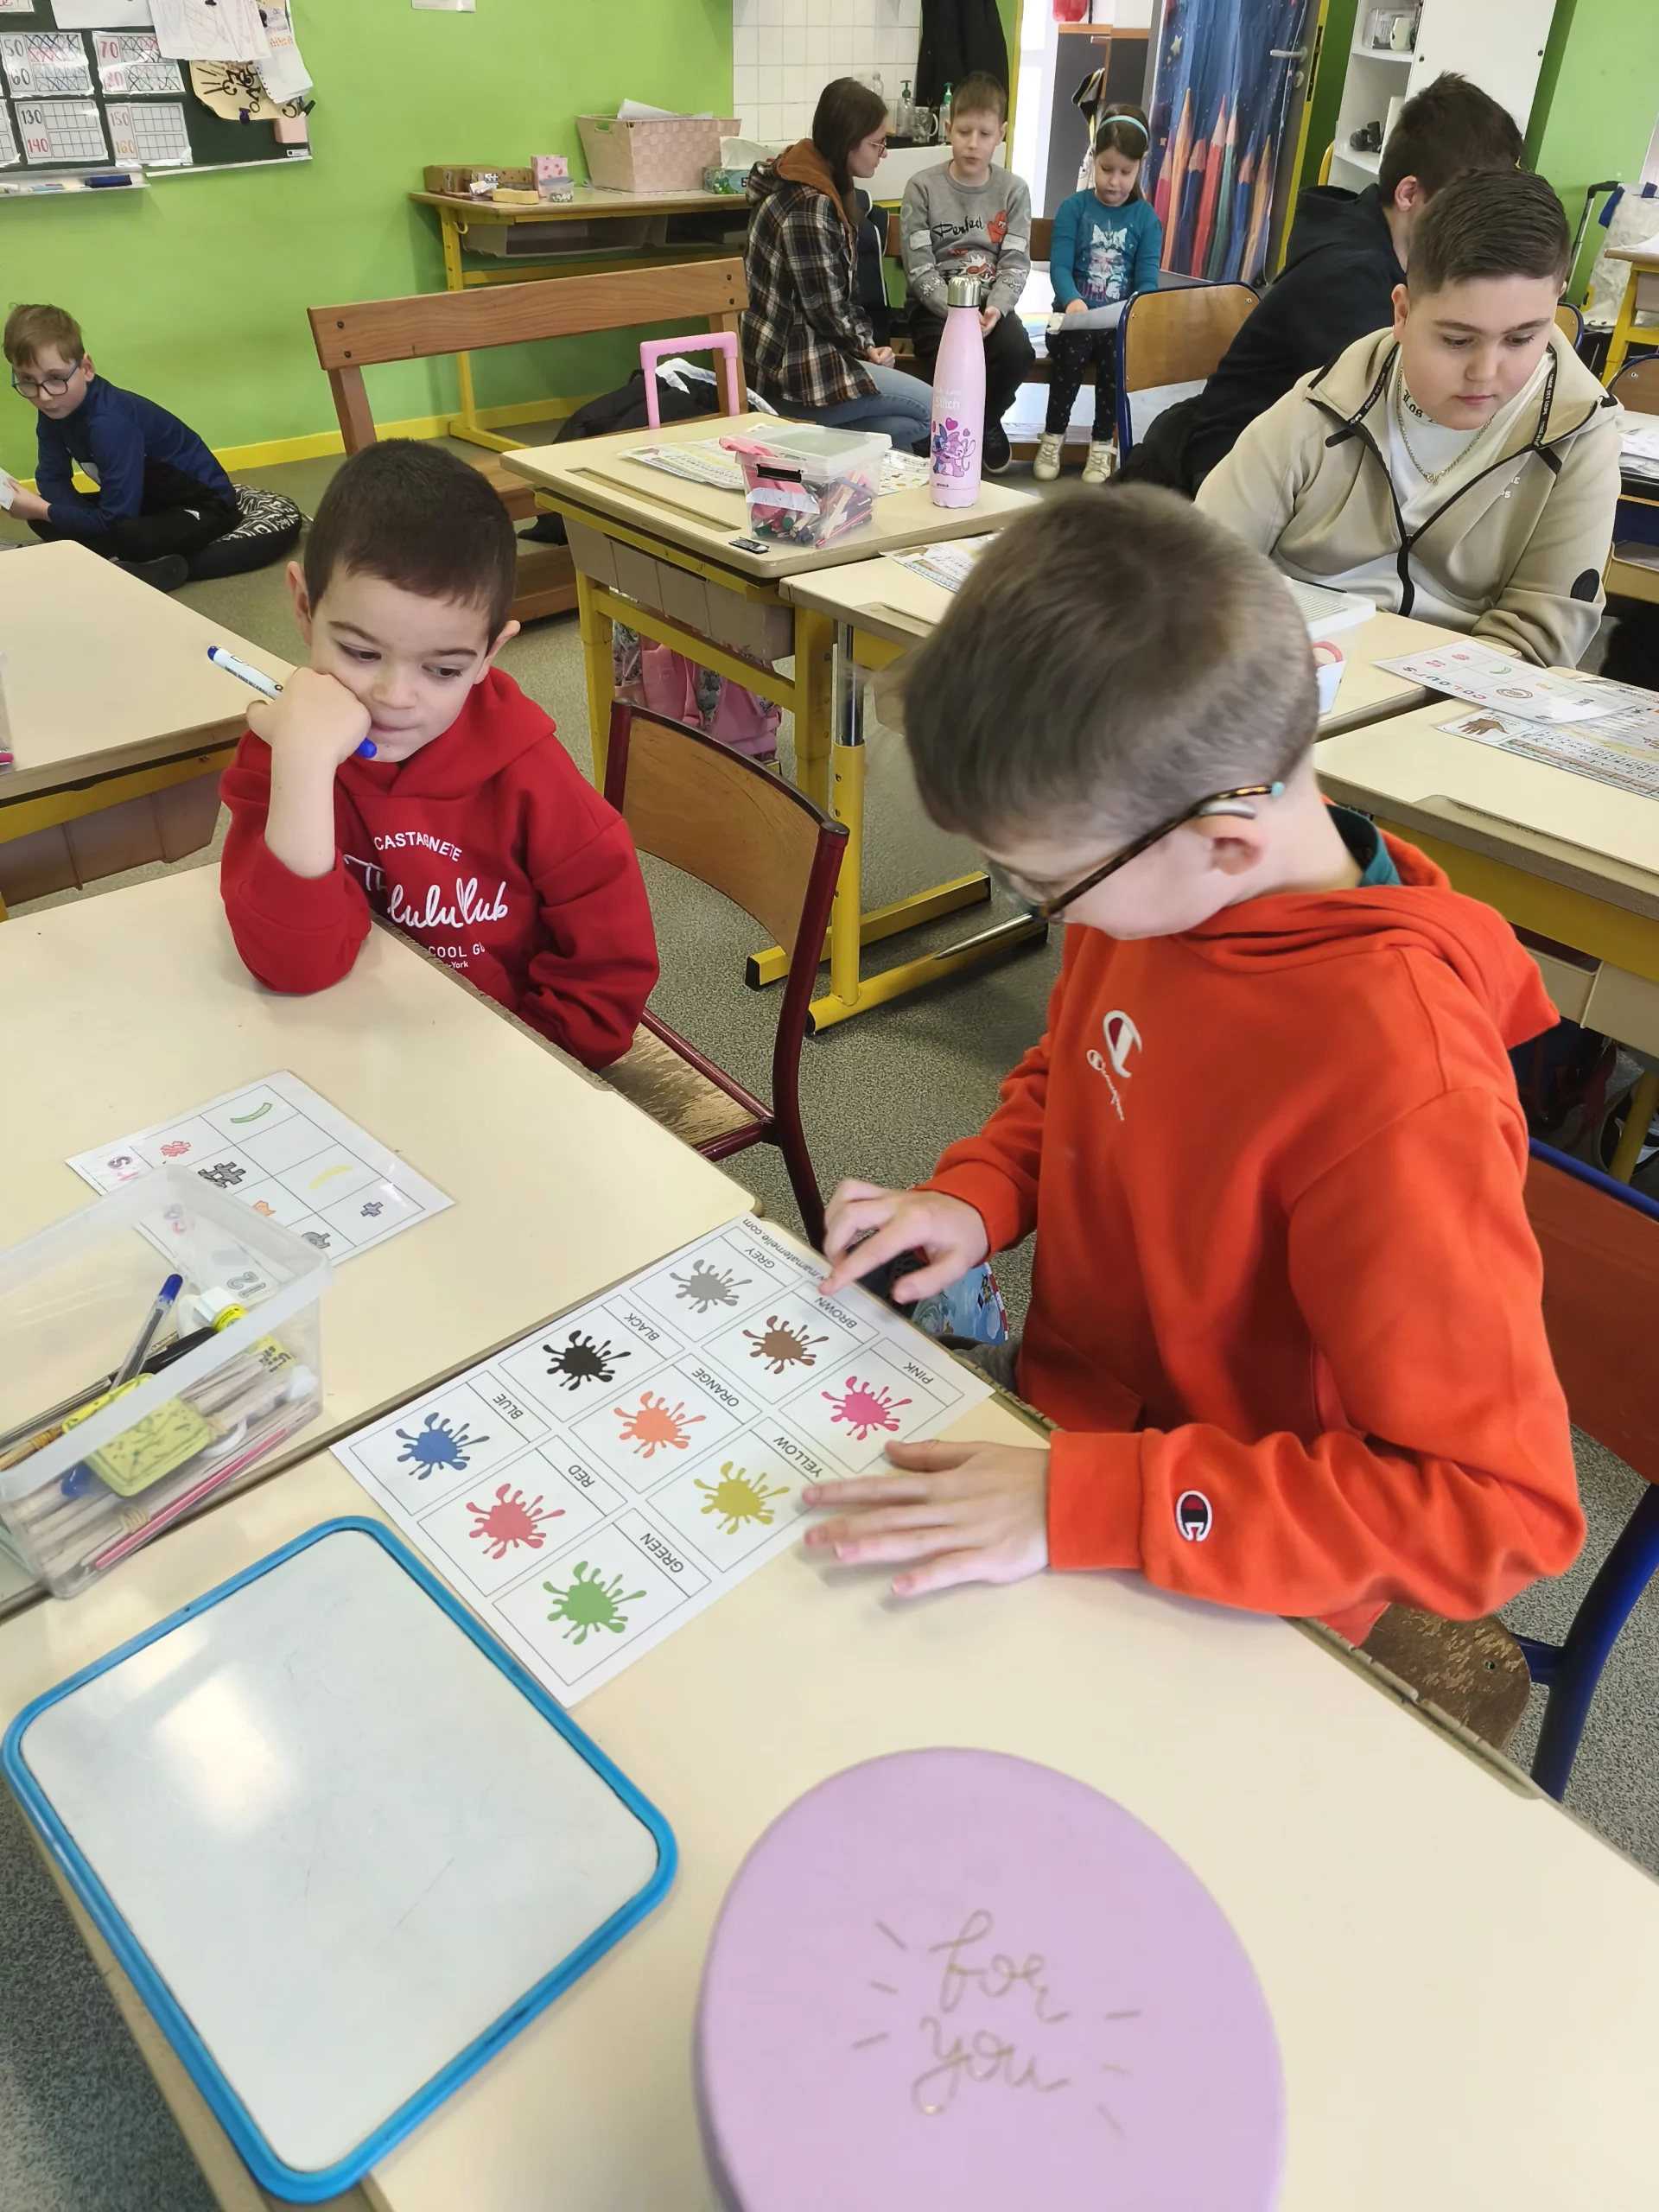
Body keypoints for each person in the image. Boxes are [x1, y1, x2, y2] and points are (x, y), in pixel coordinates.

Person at [804, 489, 1583, 1643]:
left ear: (1224, 841)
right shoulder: (1167, 886)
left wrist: (1087, 1502)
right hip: (1069, 1438)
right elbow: (1079, 1070)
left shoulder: (1400, 1087)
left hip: (1233, 1564)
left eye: (1046, 886)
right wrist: (979, 1193)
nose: (1047, 912)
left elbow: (1494, 1512)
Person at [219, 442, 657, 1070]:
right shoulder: (285, 752)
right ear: (305, 607)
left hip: (503, 1064)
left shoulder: (530, 776)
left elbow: (607, 977)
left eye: (444, 669)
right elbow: (294, 967)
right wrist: (305, 767)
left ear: (489, 655)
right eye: (362, 653)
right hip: (346, 1053)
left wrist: (523, 1066)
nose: (395, 697)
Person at [1198, 167, 1622, 671]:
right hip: (1287, 672)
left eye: (1521, 338)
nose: (1484, 372)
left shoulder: (1581, 434)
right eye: (1456, 340)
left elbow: (1536, 647)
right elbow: (1198, 569)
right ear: (1401, 312)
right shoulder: (1323, 403)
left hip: (1455, 700)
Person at [1125, 73, 1525, 495]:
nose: (1480, 221)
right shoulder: (1349, 278)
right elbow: (1402, 415)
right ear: (1409, 194)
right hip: (1229, 474)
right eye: (1468, 205)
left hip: (1296, 460)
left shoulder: (1391, 246)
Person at [744, 79, 934, 451]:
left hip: (801, 357)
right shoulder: (809, 205)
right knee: (930, 410)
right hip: (791, 374)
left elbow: (838, 302)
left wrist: (866, 348)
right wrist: (866, 348)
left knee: (896, 429)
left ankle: (834, 459)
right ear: (848, 141)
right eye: (877, 143)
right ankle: (816, 448)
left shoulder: (812, 178)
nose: (883, 153)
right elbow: (826, 309)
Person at [2, 301, 237, 592]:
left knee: (125, 533)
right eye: (27, 380)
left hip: (203, 505)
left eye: (55, 378)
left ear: (86, 368)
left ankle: (121, 562)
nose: (44, 396)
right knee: (42, 517)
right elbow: (52, 478)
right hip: (143, 503)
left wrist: (47, 510)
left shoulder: (110, 422)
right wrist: (49, 511)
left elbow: (118, 518)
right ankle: (116, 560)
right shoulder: (54, 410)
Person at [899, 70, 1034, 474]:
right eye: (963, 132)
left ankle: (983, 422)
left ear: (1001, 134)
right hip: (935, 309)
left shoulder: (1014, 191)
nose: (973, 143)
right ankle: (955, 435)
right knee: (951, 362)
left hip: (990, 306)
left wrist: (997, 307)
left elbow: (1014, 262)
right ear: (948, 129)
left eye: (985, 133)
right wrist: (956, 312)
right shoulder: (922, 187)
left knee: (1017, 352)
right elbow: (919, 266)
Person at [1033, 105, 1161, 487]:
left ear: (1141, 165)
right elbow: (1059, 267)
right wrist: (1073, 300)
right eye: (1106, 169)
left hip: (1116, 327)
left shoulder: (1146, 220)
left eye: (1125, 172)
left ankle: (1102, 445)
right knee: (1073, 351)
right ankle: (1052, 438)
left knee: (1116, 358)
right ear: (1093, 159)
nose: (1114, 182)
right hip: (1072, 321)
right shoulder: (1074, 208)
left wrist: (1134, 312)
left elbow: (1147, 283)